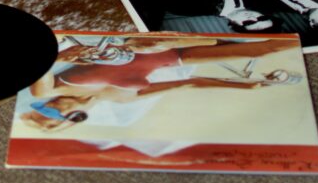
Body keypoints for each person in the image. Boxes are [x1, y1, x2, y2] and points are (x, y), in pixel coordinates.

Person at [22, 34, 298, 132]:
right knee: (264, 50)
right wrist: (247, 87)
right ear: (72, 119)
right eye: (60, 118)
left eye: (49, 110)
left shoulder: (52, 88)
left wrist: (62, 55)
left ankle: (218, 35)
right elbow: (187, 85)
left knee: (250, 42)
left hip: (151, 41)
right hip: (177, 55)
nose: (57, 108)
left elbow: (40, 64)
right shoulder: (122, 100)